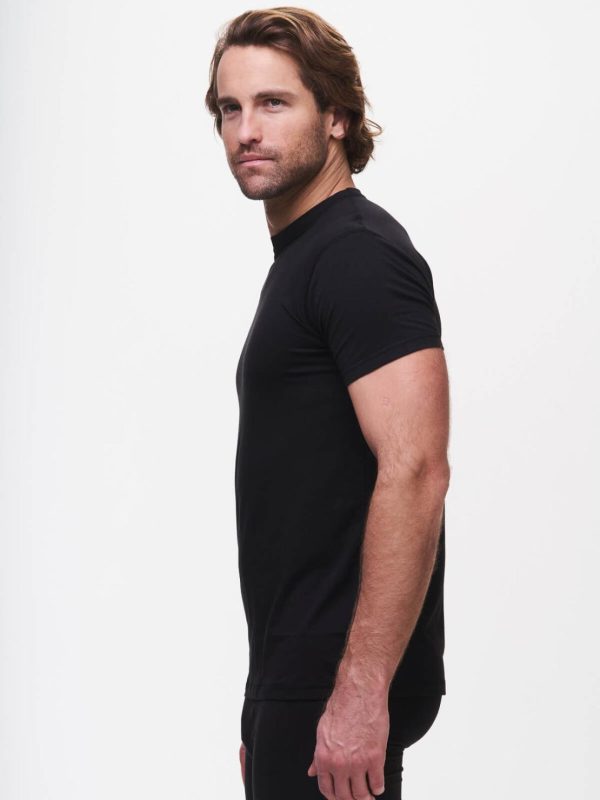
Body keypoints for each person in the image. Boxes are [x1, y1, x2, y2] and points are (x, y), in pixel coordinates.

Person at [205, 7, 451, 799]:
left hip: (334, 688)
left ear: (337, 116)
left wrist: (357, 695)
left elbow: (417, 470)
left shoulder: (357, 256)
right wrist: (267, 708)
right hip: (300, 686)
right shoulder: (307, 257)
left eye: (274, 103)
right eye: (230, 108)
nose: (246, 130)